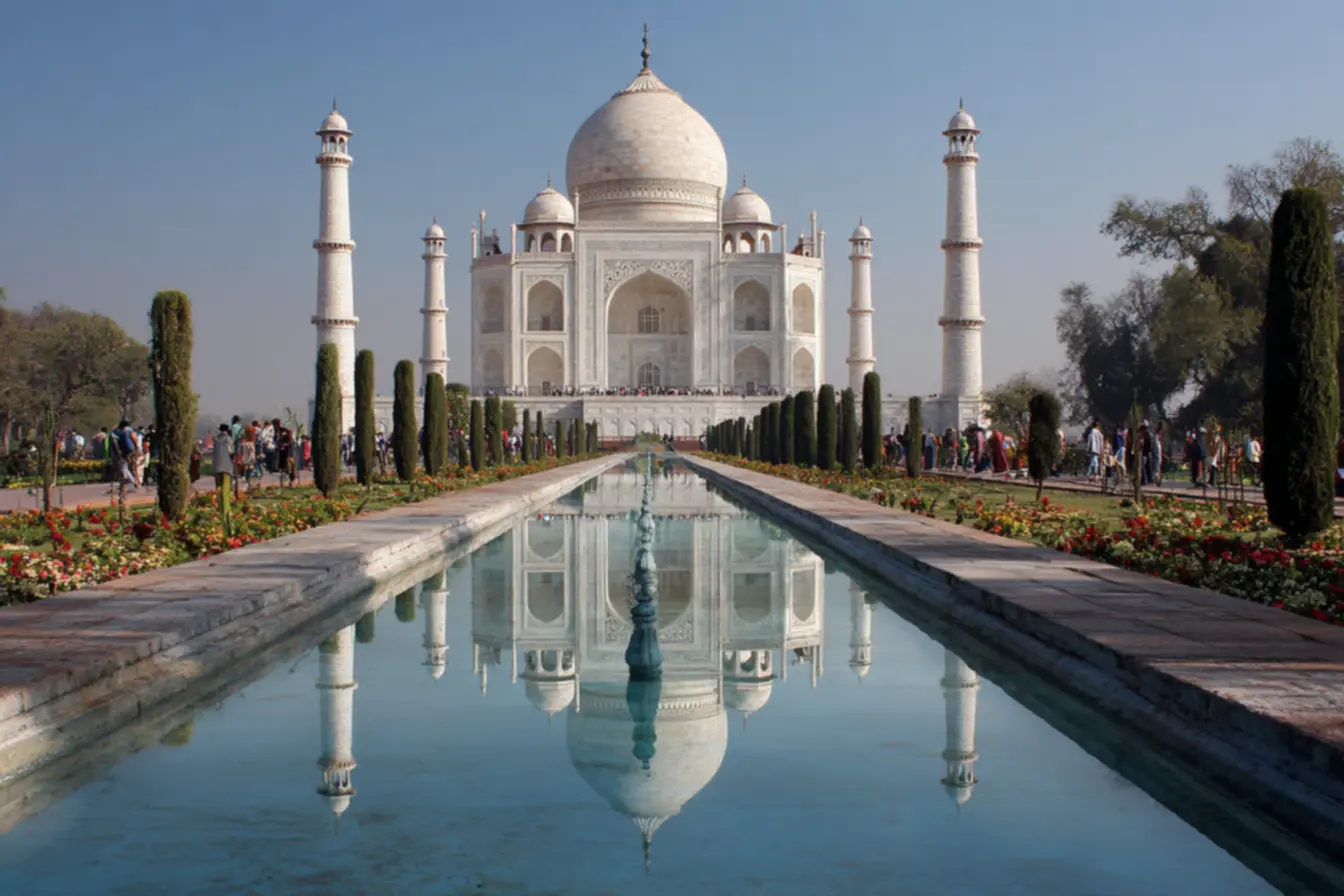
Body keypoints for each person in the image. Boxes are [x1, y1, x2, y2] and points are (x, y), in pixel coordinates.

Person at [212, 423, 235, 492]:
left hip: (216, 465)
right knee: (226, 486)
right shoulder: (228, 439)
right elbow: (230, 452)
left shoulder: (215, 439)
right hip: (227, 466)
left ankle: (218, 499)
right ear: (227, 430)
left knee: (218, 486)